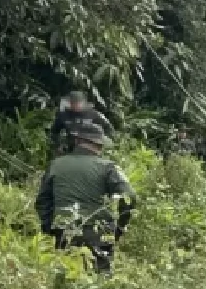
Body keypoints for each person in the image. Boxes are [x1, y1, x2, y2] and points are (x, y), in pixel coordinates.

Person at [35, 122, 137, 273]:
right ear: (99, 144)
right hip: (98, 232)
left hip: (65, 230)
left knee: (67, 277)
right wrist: (120, 227)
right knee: (100, 280)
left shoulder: (55, 165)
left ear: (76, 141)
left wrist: (50, 227)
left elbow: (43, 201)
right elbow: (129, 196)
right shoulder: (107, 167)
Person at [49, 90, 115, 157]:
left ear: (84, 102)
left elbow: (109, 129)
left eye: (77, 102)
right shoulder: (64, 115)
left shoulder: (94, 115)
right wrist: (57, 145)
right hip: (71, 149)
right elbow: (54, 131)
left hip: (91, 150)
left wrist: (102, 144)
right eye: (72, 103)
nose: (75, 105)